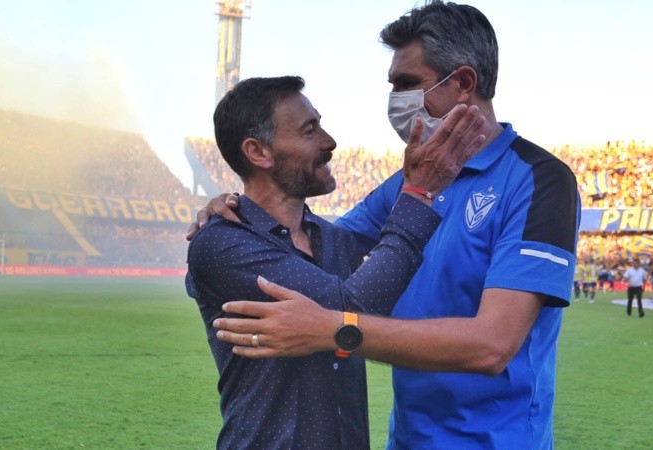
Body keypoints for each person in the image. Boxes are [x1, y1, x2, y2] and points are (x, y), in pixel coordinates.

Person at [190, 2, 581, 448]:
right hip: (407, 440)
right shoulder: (407, 185)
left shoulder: (539, 179)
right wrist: (242, 208)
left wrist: (335, 329)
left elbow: (492, 345)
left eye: (407, 84)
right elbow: (313, 244)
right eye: (392, 85)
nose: (395, 100)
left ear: (464, 83)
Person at [185, 76, 485, 449]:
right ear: (259, 153)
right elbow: (352, 312)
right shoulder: (222, 243)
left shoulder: (335, 240)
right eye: (310, 130)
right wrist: (419, 193)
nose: (329, 142)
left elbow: (359, 321)